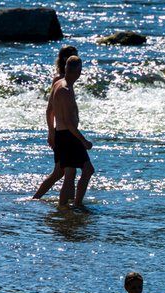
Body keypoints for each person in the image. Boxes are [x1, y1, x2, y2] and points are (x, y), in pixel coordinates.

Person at [48, 55, 95, 206]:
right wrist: (84, 141)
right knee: (86, 170)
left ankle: (67, 207)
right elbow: (68, 122)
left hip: (62, 134)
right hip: (68, 136)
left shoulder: (58, 83)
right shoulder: (66, 89)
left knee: (70, 173)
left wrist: (52, 132)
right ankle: (75, 204)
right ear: (79, 71)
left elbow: (50, 110)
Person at [33, 45, 78, 200]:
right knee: (67, 172)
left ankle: (36, 199)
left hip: (64, 132)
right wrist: (51, 133)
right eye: (74, 56)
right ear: (66, 59)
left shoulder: (66, 81)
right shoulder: (60, 81)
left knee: (60, 171)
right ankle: (66, 207)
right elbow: (50, 109)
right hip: (64, 133)